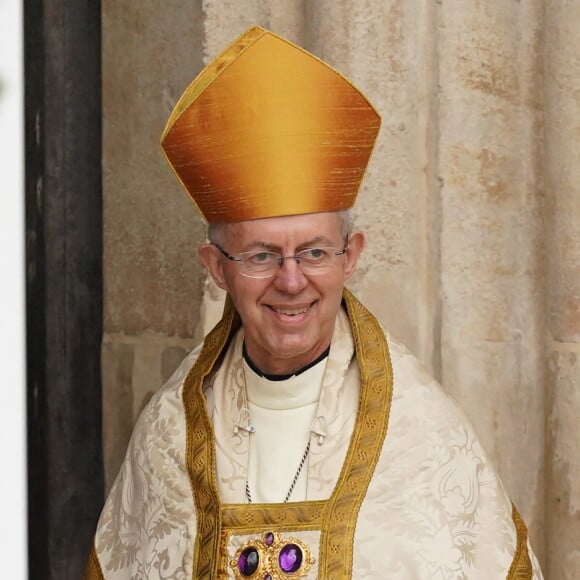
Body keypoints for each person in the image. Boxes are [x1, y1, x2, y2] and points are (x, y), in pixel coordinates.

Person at [86, 26, 543, 579]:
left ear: (351, 257)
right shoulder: (170, 437)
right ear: (215, 268)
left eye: (314, 252)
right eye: (260, 256)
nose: (292, 280)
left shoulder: (421, 436)